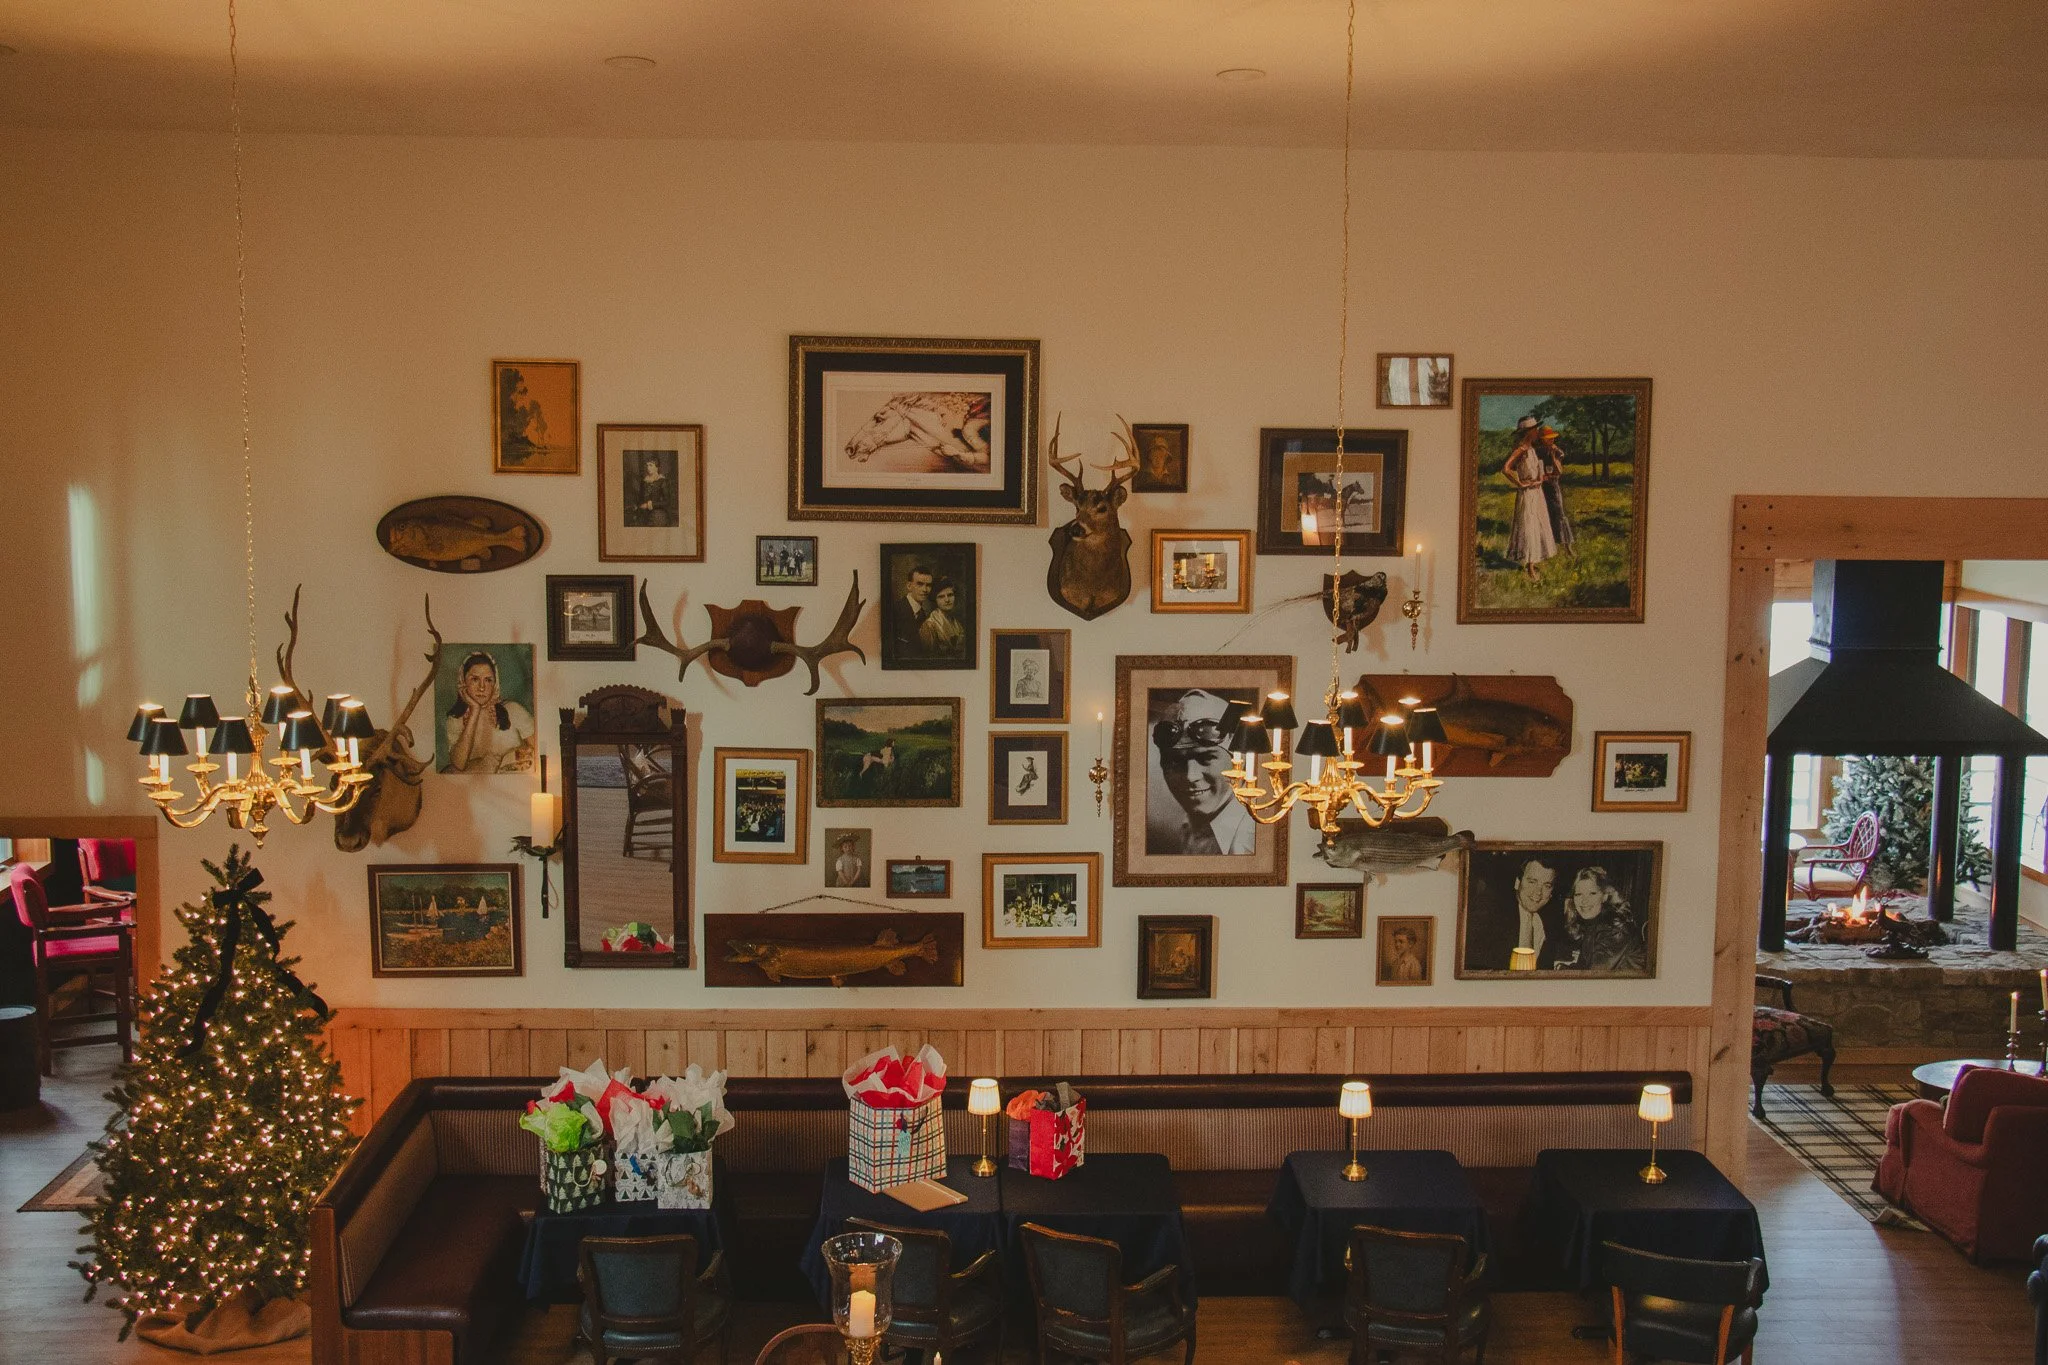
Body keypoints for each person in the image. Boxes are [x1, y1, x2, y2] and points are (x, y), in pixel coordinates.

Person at [1148, 689, 1255, 856]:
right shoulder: (1190, 826)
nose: (1190, 776)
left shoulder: (1252, 839)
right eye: (1176, 762)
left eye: (1206, 758)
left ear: (1238, 763)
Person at [442, 650, 535, 774]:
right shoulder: (455, 720)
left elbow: (539, 751)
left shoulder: (514, 710)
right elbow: (459, 765)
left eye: (488, 680)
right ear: (463, 682)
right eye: (475, 679)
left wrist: (507, 759)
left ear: (495, 683)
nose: (482, 687)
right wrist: (474, 710)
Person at [1554, 866, 1647, 973]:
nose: (1584, 901)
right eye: (1578, 894)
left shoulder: (1615, 930)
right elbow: (1584, 965)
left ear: (1605, 896)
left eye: (1592, 893)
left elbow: (1593, 977)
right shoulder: (1593, 925)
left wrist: (1560, 969)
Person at [1503, 418, 1559, 579]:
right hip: (1527, 494)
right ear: (1528, 432)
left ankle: (1533, 563)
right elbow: (1506, 469)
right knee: (1529, 528)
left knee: (1538, 526)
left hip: (1537, 492)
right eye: (1535, 430)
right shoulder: (1521, 449)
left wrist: (1540, 479)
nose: (1537, 433)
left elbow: (1537, 473)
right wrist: (1519, 483)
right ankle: (1530, 567)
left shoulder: (1533, 450)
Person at [889, 563, 934, 656]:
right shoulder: (895, 610)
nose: (925, 589)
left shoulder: (924, 615)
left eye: (928, 585)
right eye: (920, 584)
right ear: (909, 586)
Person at [625, 452, 675, 527]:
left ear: (657, 468)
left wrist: (650, 505)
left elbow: (667, 501)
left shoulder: (662, 481)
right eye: (647, 465)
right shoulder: (644, 482)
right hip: (644, 513)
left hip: (659, 512)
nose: (648, 468)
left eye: (651, 465)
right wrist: (637, 505)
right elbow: (640, 498)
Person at [919, 579, 965, 655]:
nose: (947, 600)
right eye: (941, 597)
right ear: (935, 600)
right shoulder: (929, 625)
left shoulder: (957, 623)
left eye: (950, 595)